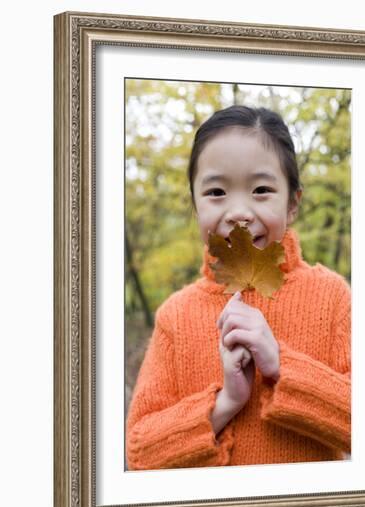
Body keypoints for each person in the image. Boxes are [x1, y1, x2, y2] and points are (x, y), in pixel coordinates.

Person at [126, 104, 351, 470]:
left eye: (261, 189)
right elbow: (140, 451)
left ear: (293, 203)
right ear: (196, 207)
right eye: (216, 192)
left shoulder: (332, 298)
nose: (238, 212)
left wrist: (281, 367)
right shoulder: (176, 315)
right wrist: (225, 403)